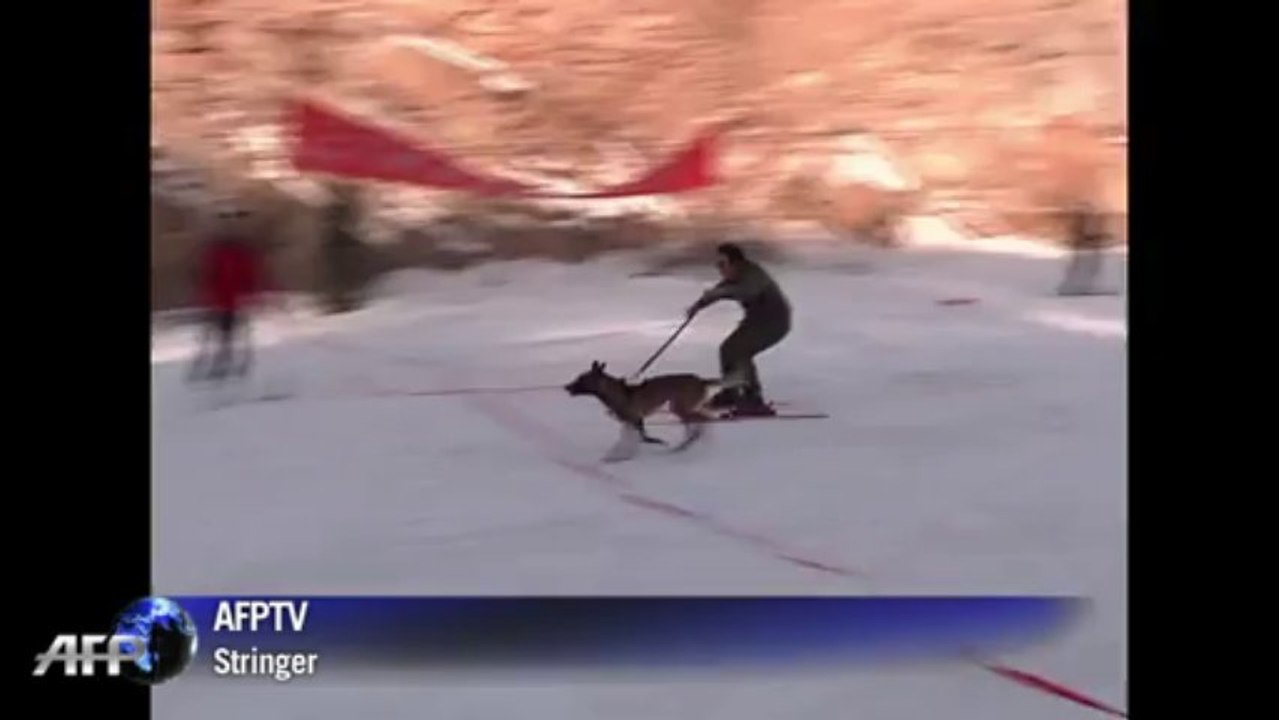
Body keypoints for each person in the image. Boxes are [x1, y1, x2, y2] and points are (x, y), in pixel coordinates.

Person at [686, 242, 791, 415]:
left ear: (735, 262)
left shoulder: (754, 275)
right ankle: (731, 392)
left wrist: (719, 293)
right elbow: (720, 290)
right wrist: (698, 306)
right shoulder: (736, 274)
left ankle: (752, 400)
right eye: (717, 264)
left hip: (775, 323)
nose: (719, 269)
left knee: (739, 351)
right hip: (756, 322)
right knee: (727, 349)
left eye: (722, 264)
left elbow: (745, 291)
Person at [187, 208, 272, 382]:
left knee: (227, 334)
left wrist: (251, 293)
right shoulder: (218, 251)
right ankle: (215, 364)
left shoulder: (237, 251)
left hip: (231, 300)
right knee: (215, 334)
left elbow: (248, 274)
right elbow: (208, 274)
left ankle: (227, 363)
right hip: (220, 299)